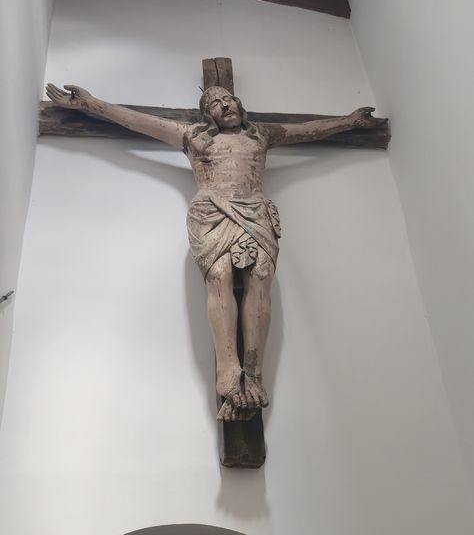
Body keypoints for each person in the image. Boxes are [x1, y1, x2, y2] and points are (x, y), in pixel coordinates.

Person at [46, 82, 384, 421]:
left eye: (228, 98)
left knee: (261, 276)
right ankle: (228, 371)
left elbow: (307, 130)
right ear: (207, 115)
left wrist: (349, 121)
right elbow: (139, 121)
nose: (224, 104)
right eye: (214, 103)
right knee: (219, 277)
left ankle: (253, 374)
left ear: (238, 103)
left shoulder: (260, 135)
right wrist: (91, 104)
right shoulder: (192, 136)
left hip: (255, 211)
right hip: (211, 213)